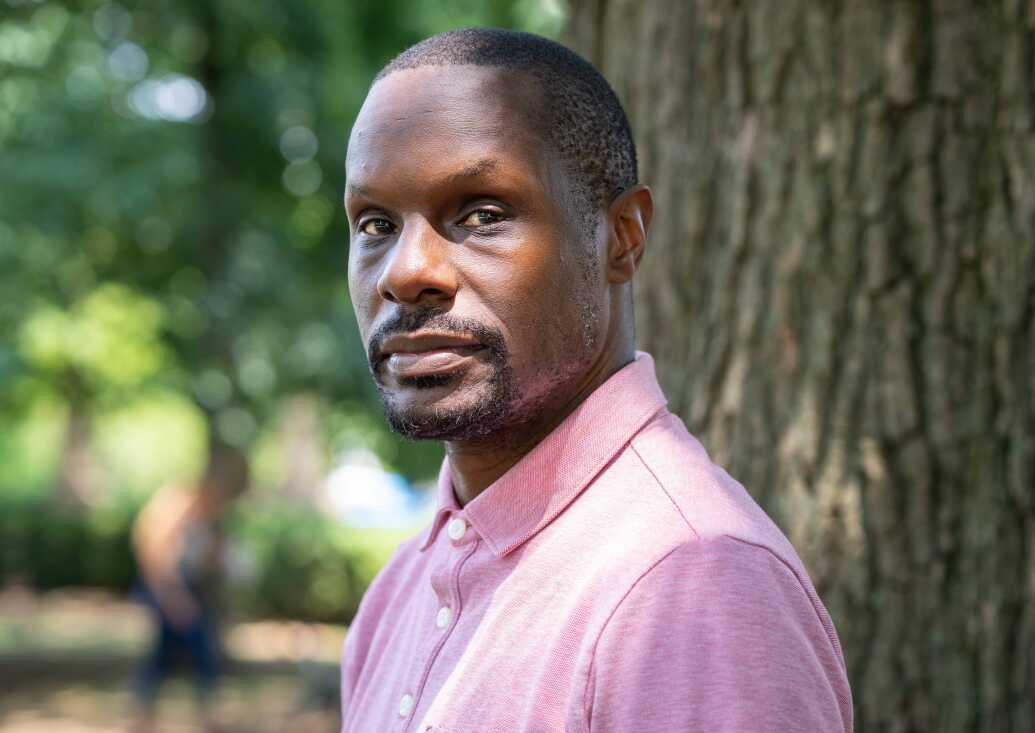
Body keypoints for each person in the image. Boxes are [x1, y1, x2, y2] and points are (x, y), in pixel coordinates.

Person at [340, 28, 853, 732]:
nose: (407, 272)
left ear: (622, 236)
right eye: (375, 223)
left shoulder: (691, 583)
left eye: (481, 214)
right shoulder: (397, 593)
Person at [130, 446, 248, 733]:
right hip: (166, 588)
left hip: (183, 588)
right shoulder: (177, 504)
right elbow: (155, 556)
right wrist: (173, 598)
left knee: (175, 652)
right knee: (183, 650)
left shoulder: (205, 513)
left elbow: (203, 562)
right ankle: (148, 716)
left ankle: (152, 714)